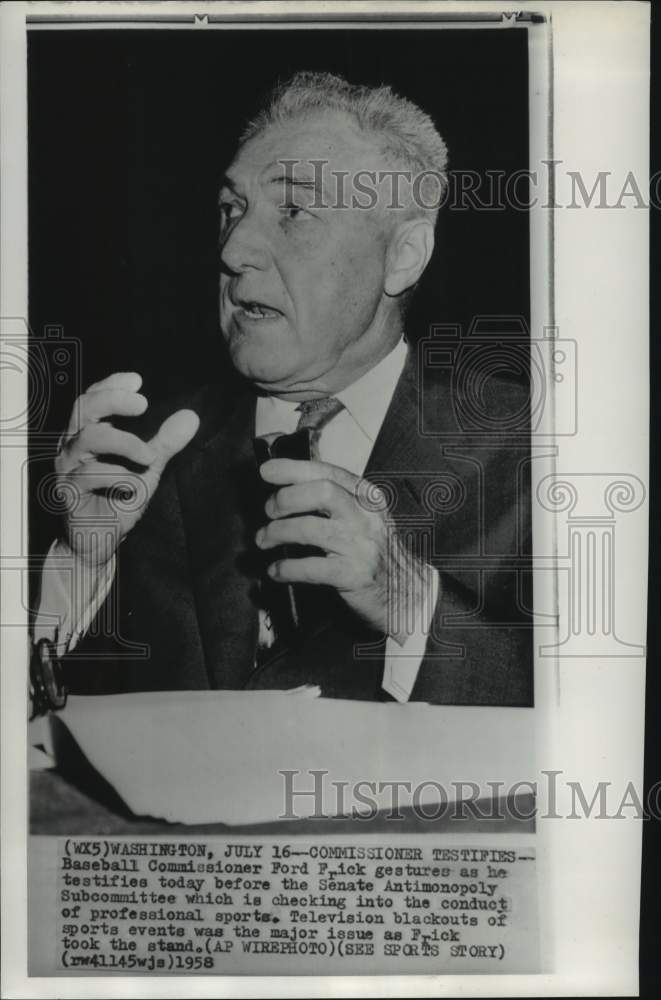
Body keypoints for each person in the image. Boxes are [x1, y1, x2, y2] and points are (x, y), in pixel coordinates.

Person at [33, 71, 532, 707]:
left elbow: (605, 721)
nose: (235, 248)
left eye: (294, 211)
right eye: (231, 209)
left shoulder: (530, 450)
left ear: (403, 255)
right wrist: (82, 564)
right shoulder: (135, 449)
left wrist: (412, 605)